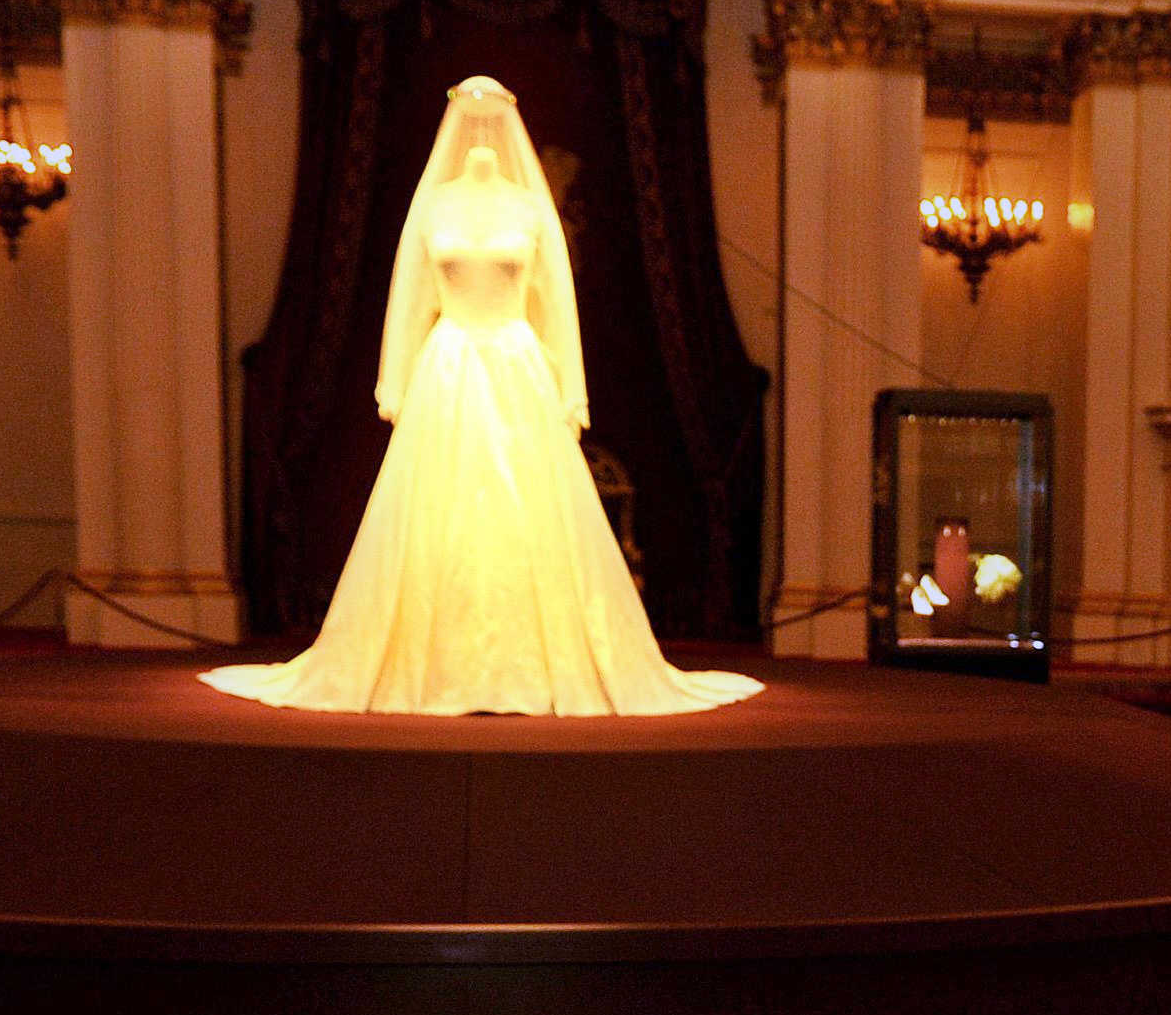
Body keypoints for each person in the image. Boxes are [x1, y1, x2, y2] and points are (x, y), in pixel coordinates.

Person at [204, 77, 760, 717]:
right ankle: (433, 662)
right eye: (469, 115)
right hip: (449, 369)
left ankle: (532, 661)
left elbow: (557, 306)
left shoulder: (530, 208)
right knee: (440, 512)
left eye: (492, 115)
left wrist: (571, 391)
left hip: (517, 366)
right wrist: (396, 380)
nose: (481, 124)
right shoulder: (433, 206)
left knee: (528, 512)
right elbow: (409, 298)